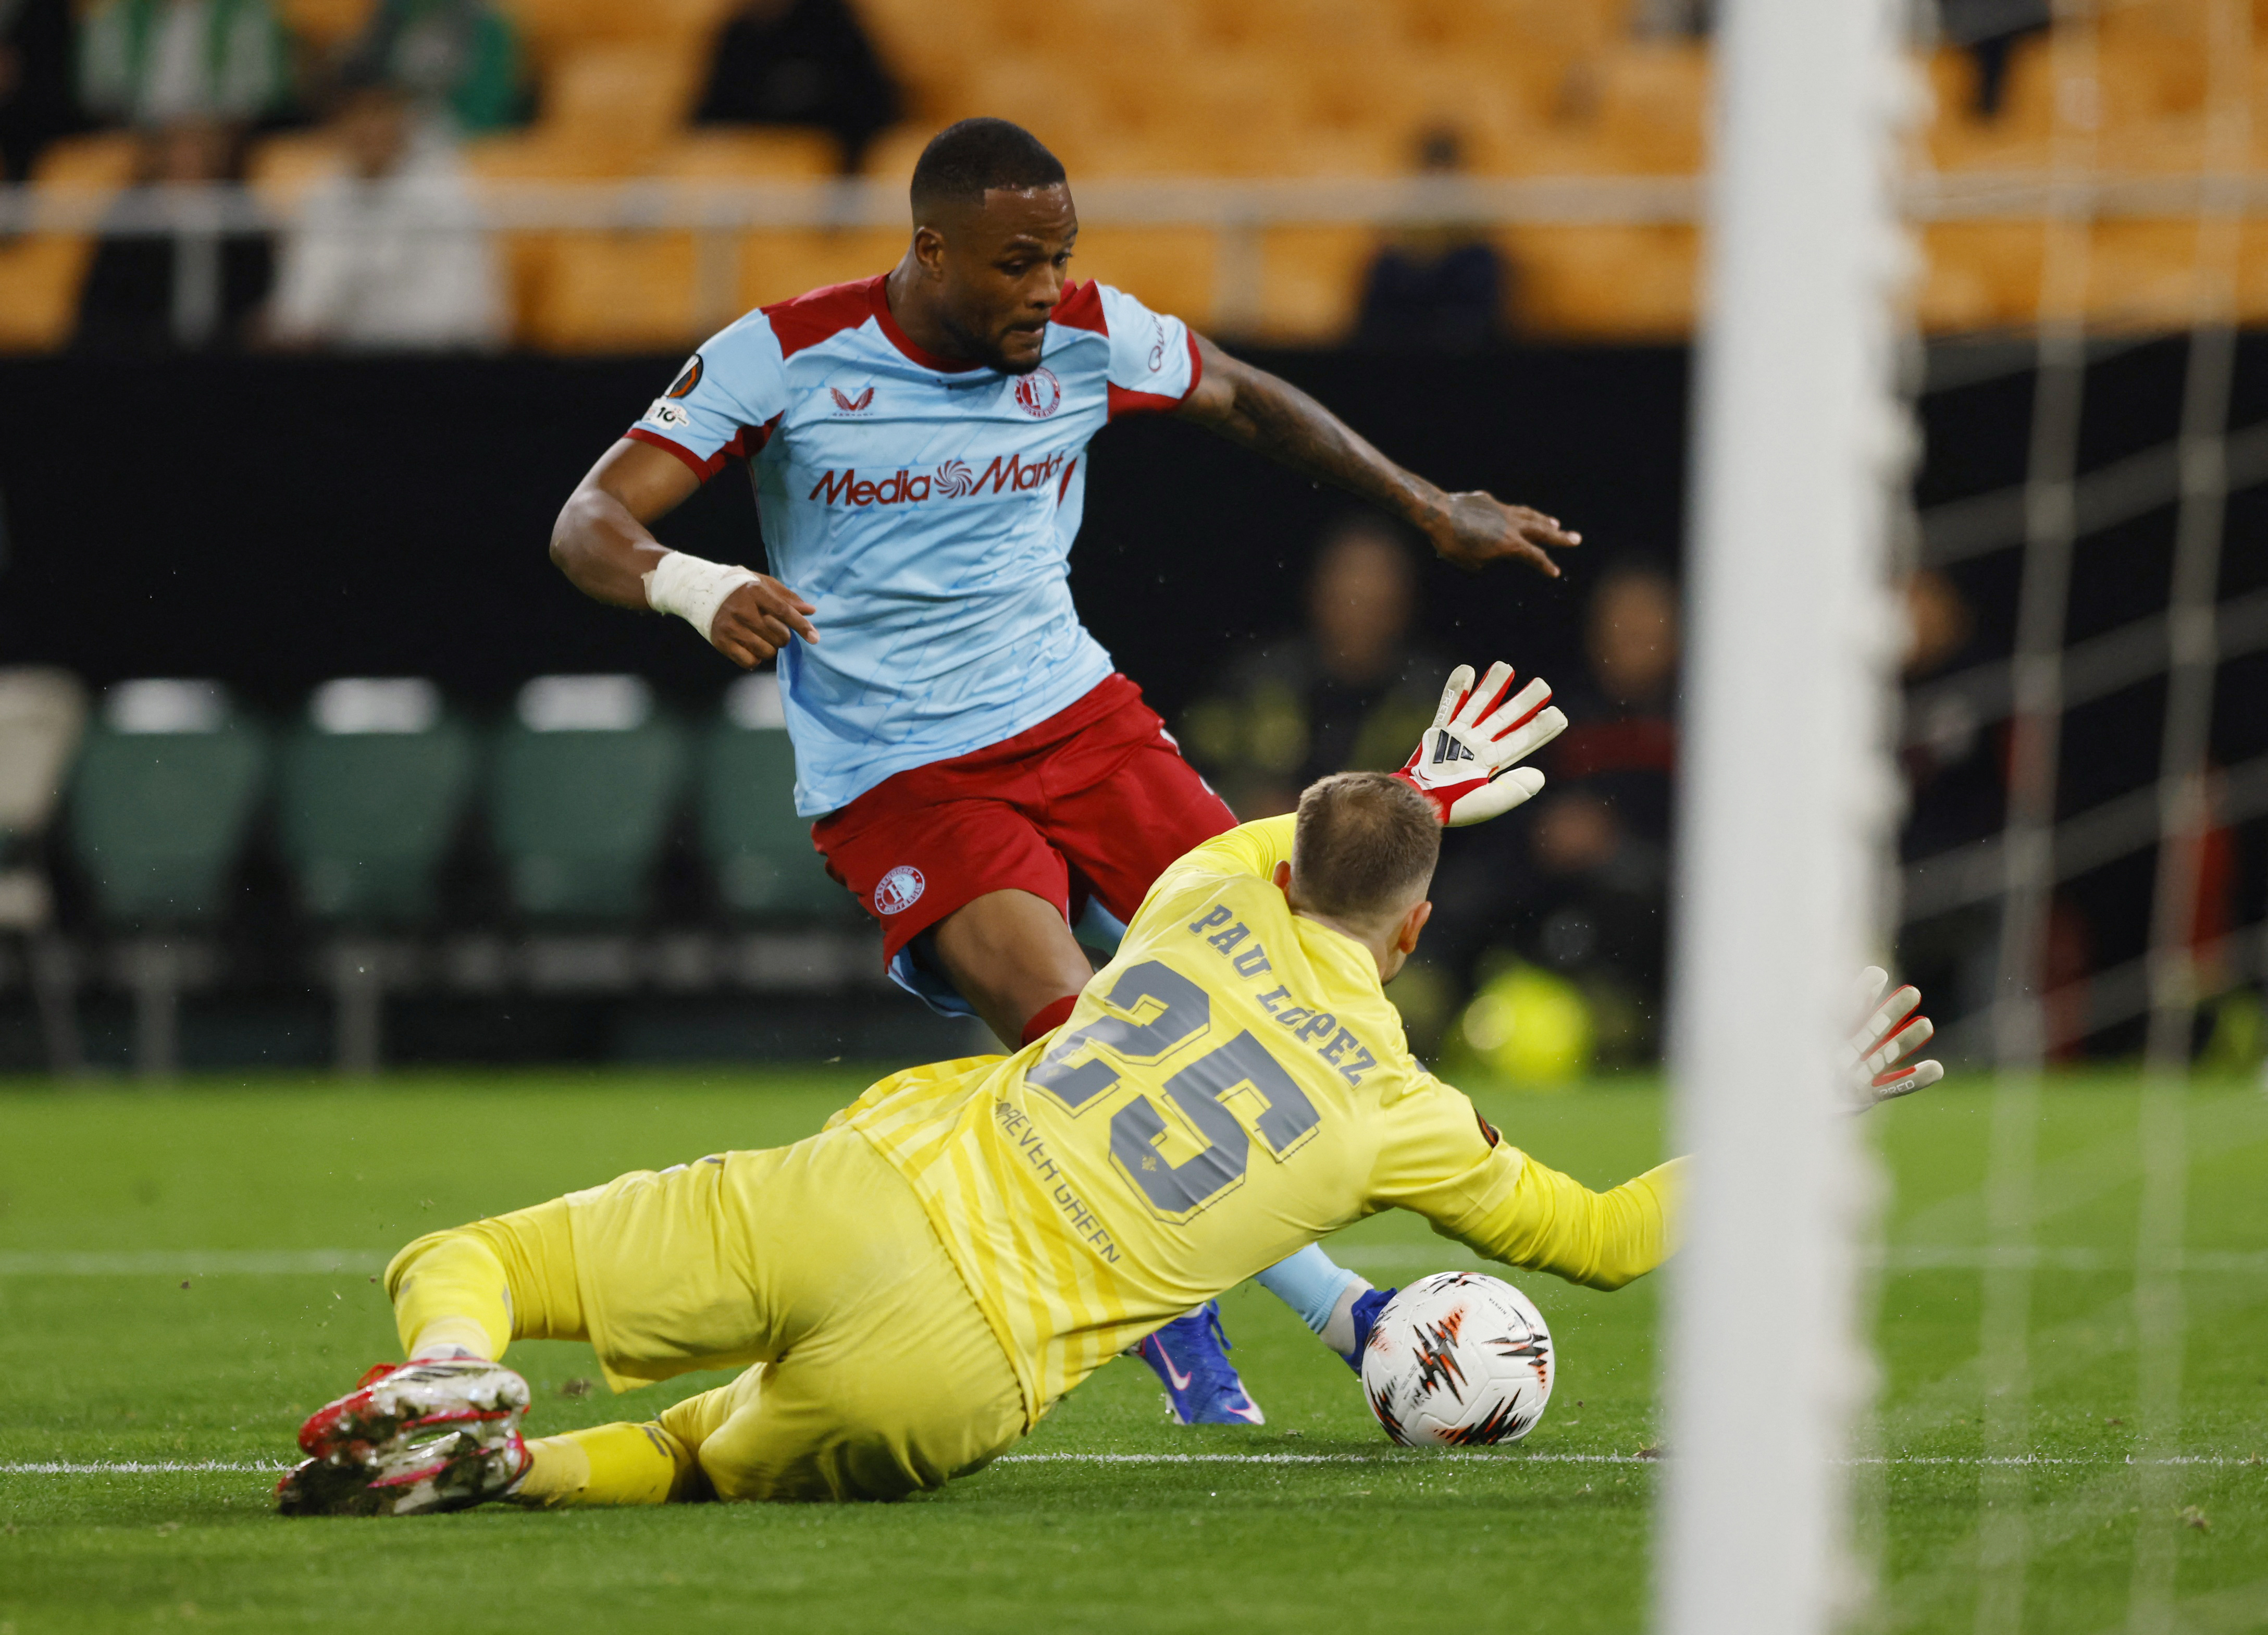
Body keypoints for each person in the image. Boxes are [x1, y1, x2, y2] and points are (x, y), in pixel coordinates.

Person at [276, 674, 1944, 1516]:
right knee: (692, 1462)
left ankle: (447, 1374)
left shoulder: (1209, 883)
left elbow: (1315, 836)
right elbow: (1600, 1236)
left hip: (870, 1197)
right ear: (1417, 926)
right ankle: (509, 1473)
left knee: (470, 1253)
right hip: (961, 1378)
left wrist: (1421, 774)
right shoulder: (1401, 1115)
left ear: (1289, 854)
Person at [547, 119, 1583, 1423]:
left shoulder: (1090, 334)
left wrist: (1426, 504)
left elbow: (1245, 395)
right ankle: (1307, 1313)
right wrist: (693, 587)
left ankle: (1337, 1290)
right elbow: (588, 521)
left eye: (1059, 257)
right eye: (1013, 263)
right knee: (1077, 1026)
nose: (1044, 288)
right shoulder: (785, 355)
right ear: (929, 251)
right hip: (901, 772)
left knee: (1276, 978)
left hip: (1079, 721)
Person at [1180, 516, 1448, 820]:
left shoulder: (1433, 700)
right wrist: (1246, 804)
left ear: (1406, 604)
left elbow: (1464, 828)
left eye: (1376, 601)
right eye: (1348, 598)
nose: (1359, 616)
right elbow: (1190, 773)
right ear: (1316, 594)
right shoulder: (1261, 679)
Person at [264, 75, 504, 350]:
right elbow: (301, 310)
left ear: (406, 120)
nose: (369, 128)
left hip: (434, 362)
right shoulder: (322, 198)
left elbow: (466, 314)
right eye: (356, 115)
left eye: (380, 113)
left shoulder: (451, 193)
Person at [71, 116, 271, 352]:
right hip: (138, 356)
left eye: (198, 151)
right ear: (160, 157)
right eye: (178, 150)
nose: (187, 161)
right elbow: (101, 305)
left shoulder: (238, 218)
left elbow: (255, 304)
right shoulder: (132, 219)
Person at [690, 0, 900, 174]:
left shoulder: (834, 26)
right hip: (750, 172)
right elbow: (711, 115)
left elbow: (872, 103)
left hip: (831, 166)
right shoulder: (739, 34)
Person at [76, 0, 291, 130]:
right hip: (142, 135)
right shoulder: (119, 16)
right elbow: (102, 95)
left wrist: (199, 131)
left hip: (222, 135)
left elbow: (259, 96)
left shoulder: (247, 12)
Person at [335, 0, 520, 136]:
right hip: (396, 125)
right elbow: (366, 81)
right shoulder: (394, 12)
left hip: (454, 132)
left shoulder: (486, 24)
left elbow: (486, 109)